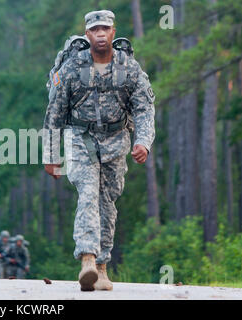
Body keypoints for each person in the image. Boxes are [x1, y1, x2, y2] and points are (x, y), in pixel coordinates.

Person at [43, 10, 155, 291]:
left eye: (105, 28)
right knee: (88, 193)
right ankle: (87, 260)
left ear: (113, 32)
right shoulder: (71, 68)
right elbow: (55, 112)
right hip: (81, 140)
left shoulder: (129, 68)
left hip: (116, 142)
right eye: (95, 30)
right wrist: (51, 155)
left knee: (108, 203)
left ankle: (102, 269)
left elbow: (144, 108)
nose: (101, 34)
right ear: (87, 34)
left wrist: (143, 141)